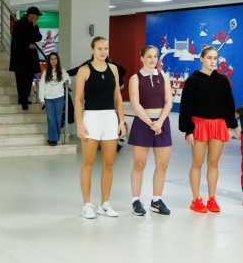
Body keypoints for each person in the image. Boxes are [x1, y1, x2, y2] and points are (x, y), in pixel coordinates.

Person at [179, 45, 236, 213]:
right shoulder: (192, 81)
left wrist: (230, 125)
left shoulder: (223, 80)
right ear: (201, 59)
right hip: (199, 125)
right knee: (197, 163)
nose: (212, 61)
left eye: (215, 58)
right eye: (209, 58)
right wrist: (188, 130)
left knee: (213, 163)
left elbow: (229, 104)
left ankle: (212, 199)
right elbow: (186, 107)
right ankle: (196, 199)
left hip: (218, 125)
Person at [75, 37, 127, 219]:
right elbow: (78, 99)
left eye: (106, 48)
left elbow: (118, 97)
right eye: (99, 48)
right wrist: (80, 123)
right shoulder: (84, 70)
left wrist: (121, 121)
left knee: (109, 164)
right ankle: (87, 205)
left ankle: (104, 205)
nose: (103, 52)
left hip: (110, 118)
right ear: (92, 50)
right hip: (91, 118)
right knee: (88, 164)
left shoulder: (113, 69)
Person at [127, 44, 173, 216]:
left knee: (162, 164)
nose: (152, 59)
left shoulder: (164, 76)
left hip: (162, 123)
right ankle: (136, 201)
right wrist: (150, 123)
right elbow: (135, 104)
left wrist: (159, 122)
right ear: (142, 58)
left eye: (155, 56)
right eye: (149, 56)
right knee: (139, 164)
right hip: (143, 123)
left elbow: (169, 101)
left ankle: (156, 201)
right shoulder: (135, 78)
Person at [9, 7, 43, 110]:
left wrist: (34, 25)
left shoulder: (34, 25)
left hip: (30, 58)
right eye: (36, 16)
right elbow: (17, 39)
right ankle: (23, 100)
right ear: (31, 15)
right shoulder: (19, 24)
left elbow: (38, 38)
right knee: (21, 80)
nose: (37, 18)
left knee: (29, 79)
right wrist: (28, 45)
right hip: (20, 57)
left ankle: (25, 98)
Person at [38, 52, 70, 146]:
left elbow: (68, 78)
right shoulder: (45, 72)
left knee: (58, 118)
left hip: (59, 98)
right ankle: (53, 139)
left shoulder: (62, 70)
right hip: (48, 99)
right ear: (49, 61)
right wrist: (41, 99)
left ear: (57, 60)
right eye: (51, 59)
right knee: (50, 118)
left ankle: (55, 136)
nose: (53, 60)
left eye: (55, 59)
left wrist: (68, 82)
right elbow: (42, 86)